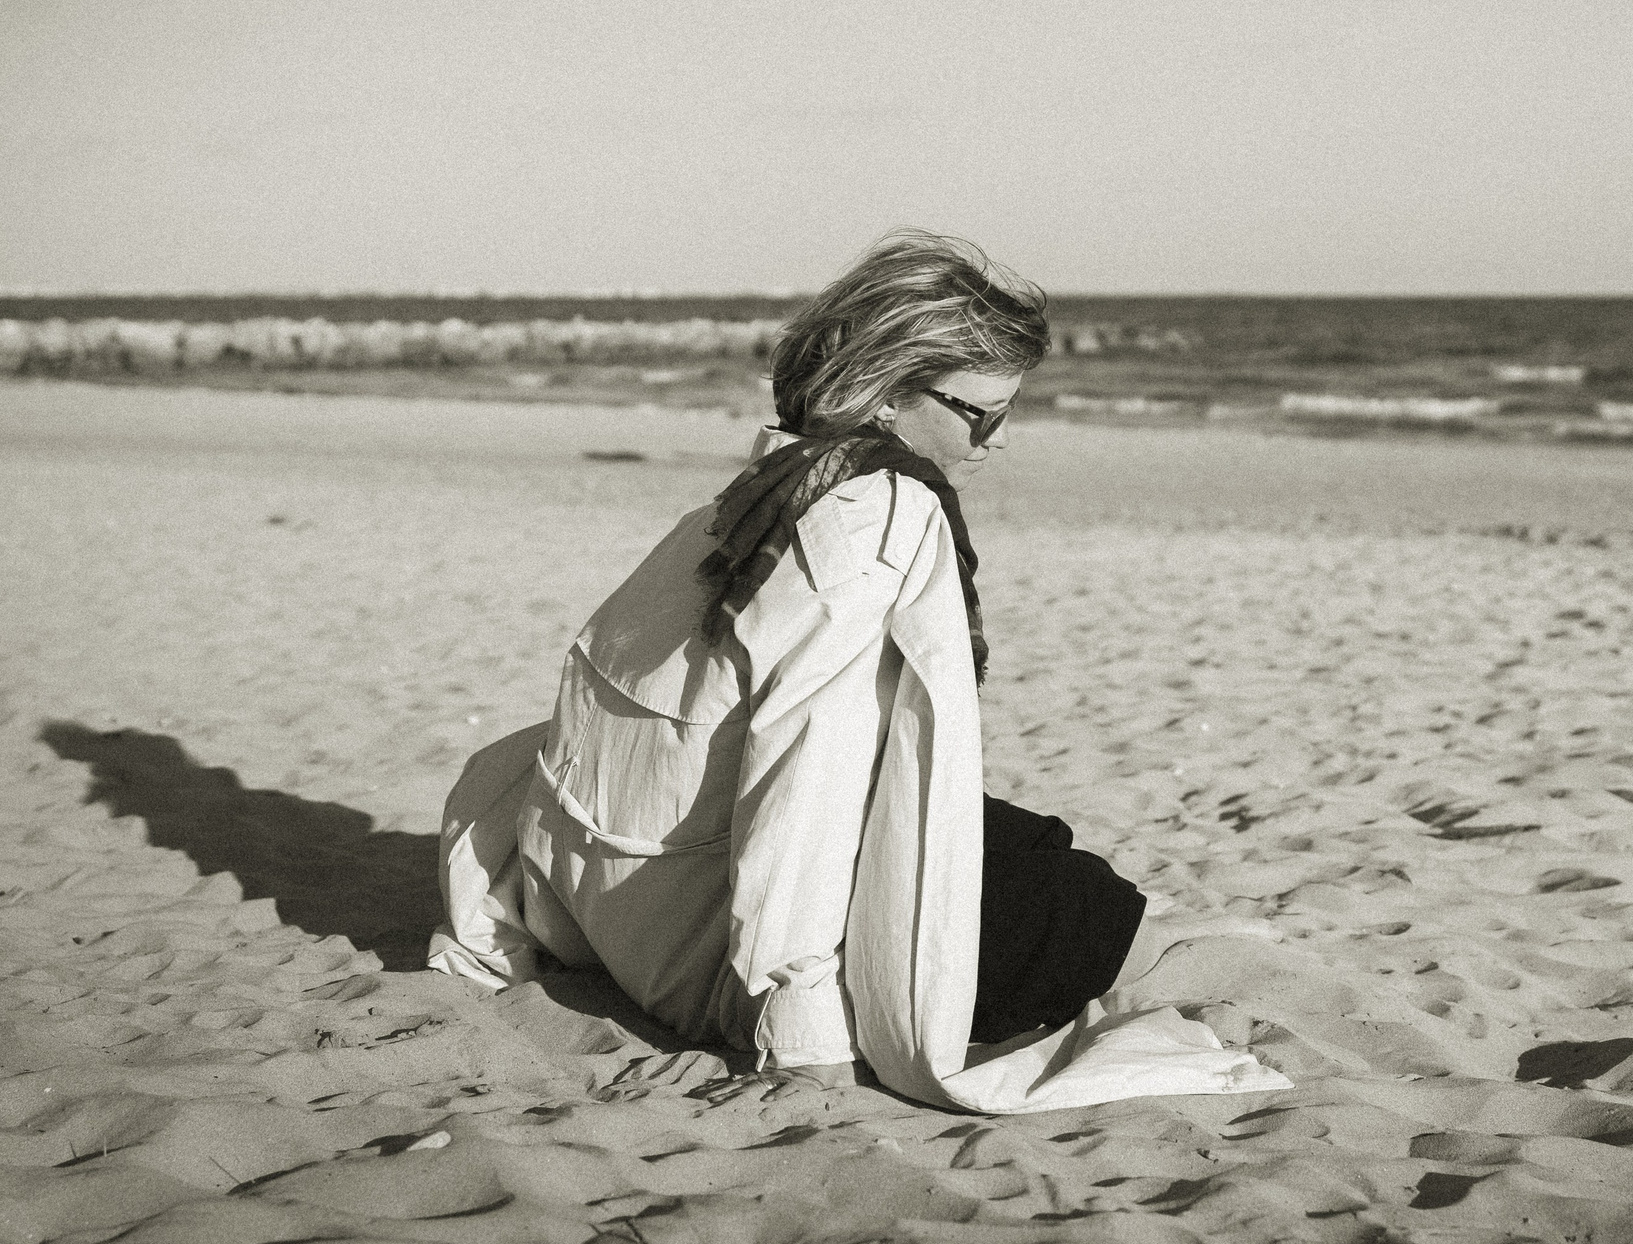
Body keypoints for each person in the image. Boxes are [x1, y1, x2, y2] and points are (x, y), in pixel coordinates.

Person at [429, 231, 1286, 1114]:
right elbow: (806, 771)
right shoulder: (875, 515)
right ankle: (1175, 945)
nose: (998, 440)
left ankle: (1161, 931)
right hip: (702, 945)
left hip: (610, 909)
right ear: (884, 389)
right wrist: (802, 1023)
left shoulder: (765, 487)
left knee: (1022, 840)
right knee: (1087, 910)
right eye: (980, 413)